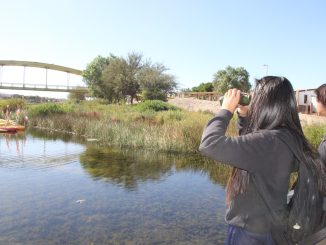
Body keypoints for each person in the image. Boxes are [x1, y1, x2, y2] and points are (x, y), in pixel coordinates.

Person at [199, 76, 326, 244]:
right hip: (273, 230)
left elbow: (209, 144)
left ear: (264, 102)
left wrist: (225, 111)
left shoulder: (267, 142)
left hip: (249, 233)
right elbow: (251, 152)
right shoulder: (288, 137)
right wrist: (244, 116)